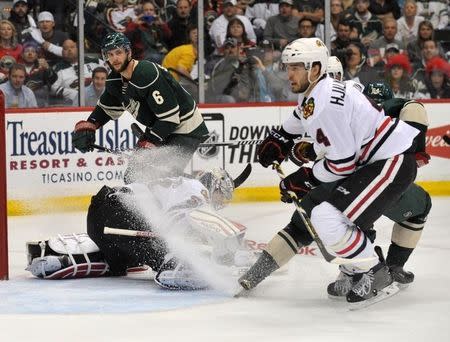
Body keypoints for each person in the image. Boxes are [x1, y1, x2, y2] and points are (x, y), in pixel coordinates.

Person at [237, 37, 421, 307]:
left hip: (391, 161)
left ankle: (374, 272)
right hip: (378, 162)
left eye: (296, 67)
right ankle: (358, 268)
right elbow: (301, 116)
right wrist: (280, 137)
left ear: (314, 68)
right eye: (288, 67)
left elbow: (342, 165)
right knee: (324, 215)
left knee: (329, 218)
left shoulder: (326, 106)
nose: (289, 73)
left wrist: (305, 178)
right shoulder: (317, 92)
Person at [26, 166, 254, 290]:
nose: (221, 202)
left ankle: (67, 257)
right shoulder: (198, 190)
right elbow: (176, 218)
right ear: (213, 186)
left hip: (100, 214)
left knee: (123, 264)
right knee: (167, 256)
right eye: (222, 196)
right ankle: (171, 266)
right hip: (120, 215)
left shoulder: (184, 184)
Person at [71, 32, 209, 179]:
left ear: (128, 52)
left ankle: (199, 193)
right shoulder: (114, 81)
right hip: (160, 127)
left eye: (118, 52)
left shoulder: (146, 73)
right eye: (110, 54)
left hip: (187, 128)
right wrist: (90, 126)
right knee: (133, 177)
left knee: (163, 179)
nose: (115, 58)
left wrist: (149, 141)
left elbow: (170, 118)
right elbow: (105, 110)